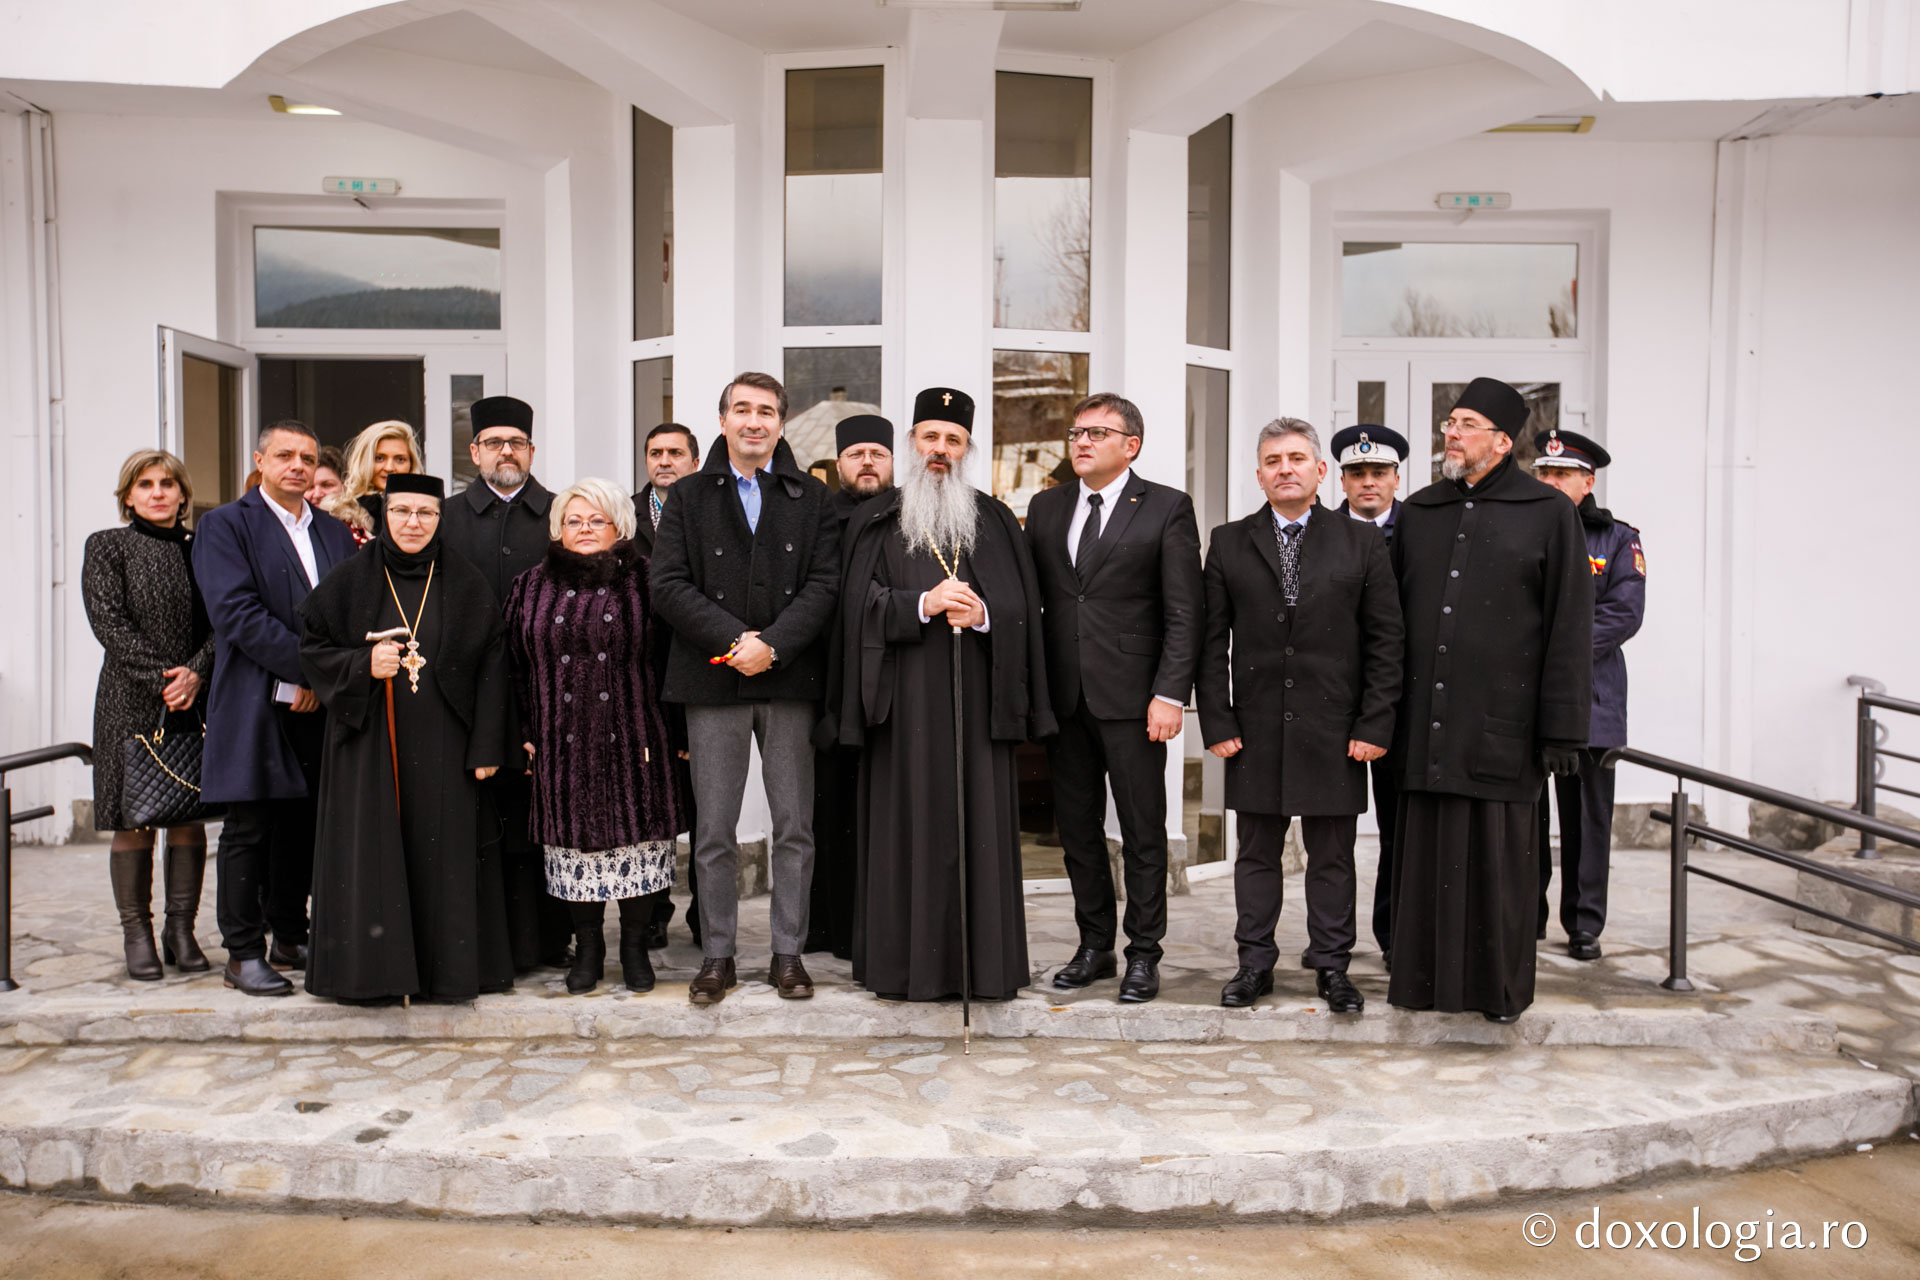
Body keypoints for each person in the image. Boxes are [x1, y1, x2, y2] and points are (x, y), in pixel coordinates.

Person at [825, 388, 1056, 1003]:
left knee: (977, 829)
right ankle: (904, 968)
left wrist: (984, 615)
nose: (940, 450)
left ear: (966, 449)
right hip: (902, 715)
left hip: (977, 711)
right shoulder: (879, 522)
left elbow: (1023, 611)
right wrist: (921, 604)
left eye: (952, 440)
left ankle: (984, 968)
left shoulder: (997, 519)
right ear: (913, 445)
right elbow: (855, 611)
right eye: (930, 437)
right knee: (906, 832)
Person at [1387, 378, 1593, 1024]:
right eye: (1449, 421)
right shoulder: (1419, 512)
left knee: (1499, 866)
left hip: (1505, 725)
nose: (1452, 432)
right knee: (1424, 859)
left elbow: (1569, 628)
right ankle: (1421, 985)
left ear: (1502, 442)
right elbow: (1389, 624)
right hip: (1428, 722)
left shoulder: (1549, 513)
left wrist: (1563, 731)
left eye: (1467, 423)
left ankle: (1496, 992)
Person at [649, 372, 841, 1006]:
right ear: (723, 420)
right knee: (715, 830)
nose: (754, 421)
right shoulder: (689, 496)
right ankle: (718, 956)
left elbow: (824, 585)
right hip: (712, 677)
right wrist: (739, 643)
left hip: (788, 680)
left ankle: (788, 954)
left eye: (766, 411)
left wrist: (774, 646)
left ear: (780, 422)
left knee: (793, 825)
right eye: (742, 410)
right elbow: (669, 585)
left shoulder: (811, 498)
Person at [1198, 420, 1403, 1013]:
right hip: (1254, 730)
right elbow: (1212, 643)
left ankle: (1334, 968)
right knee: (1256, 854)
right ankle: (1253, 965)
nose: (1284, 468)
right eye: (1272, 460)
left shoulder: (1361, 542)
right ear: (1258, 474)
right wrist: (1219, 721)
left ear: (1319, 472)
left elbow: (1387, 642)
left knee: (1333, 856)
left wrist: (1374, 724)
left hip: (1336, 731)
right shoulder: (1229, 542)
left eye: (1296, 458)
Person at [298, 473, 514, 1002]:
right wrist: (361, 664)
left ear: (440, 519)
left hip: (447, 742)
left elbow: (494, 665)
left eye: (426, 513)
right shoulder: (350, 580)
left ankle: (446, 975)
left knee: (443, 857)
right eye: (402, 512)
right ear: (384, 517)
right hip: (369, 746)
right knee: (374, 855)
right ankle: (373, 975)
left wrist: (488, 746)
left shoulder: (465, 582)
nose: (413, 523)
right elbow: (312, 649)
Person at [1024, 392, 1201, 1004]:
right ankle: (1094, 945)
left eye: (1097, 433)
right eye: (1076, 431)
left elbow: (1184, 612)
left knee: (1142, 833)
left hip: (1134, 701)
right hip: (1065, 699)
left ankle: (1143, 954)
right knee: (1076, 831)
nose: (1081, 441)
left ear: (1131, 445)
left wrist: (1170, 693)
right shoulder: (1045, 508)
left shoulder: (1167, 508)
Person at [194, 420, 358, 996]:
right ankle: (243, 952)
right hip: (256, 700)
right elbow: (236, 614)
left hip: (320, 705)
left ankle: (291, 932)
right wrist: (311, 669)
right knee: (250, 827)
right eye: (284, 455)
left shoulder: (335, 534)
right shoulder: (223, 526)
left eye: (307, 458)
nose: (297, 465)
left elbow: (346, 615)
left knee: (306, 824)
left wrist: (327, 677)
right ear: (260, 460)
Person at [507, 479, 685, 994]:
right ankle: (587, 948)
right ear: (559, 529)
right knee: (573, 849)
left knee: (636, 840)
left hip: (636, 736)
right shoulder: (530, 586)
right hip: (558, 740)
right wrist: (520, 729)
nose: (585, 530)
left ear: (620, 527)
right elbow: (513, 667)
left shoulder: (651, 582)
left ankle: (634, 948)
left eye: (596, 521)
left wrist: (678, 731)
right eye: (574, 521)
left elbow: (676, 660)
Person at [437, 394, 574, 974]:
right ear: (474, 451)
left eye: (516, 442)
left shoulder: (560, 513)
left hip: (544, 693)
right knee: (473, 820)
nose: (506, 451)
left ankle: (544, 942)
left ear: (532, 450)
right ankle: (479, 942)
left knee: (539, 821)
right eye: (494, 442)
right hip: (461, 695)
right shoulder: (443, 516)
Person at [82, 449, 218, 980]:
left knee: (187, 814)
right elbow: (108, 624)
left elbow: (223, 618)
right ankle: (137, 932)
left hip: (196, 695)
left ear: (183, 494)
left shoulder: (204, 547)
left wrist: (197, 673)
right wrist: (168, 678)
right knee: (134, 817)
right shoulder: (108, 546)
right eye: (146, 484)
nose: (158, 493)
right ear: (129, 496)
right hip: (130, 697)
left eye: (168, 484)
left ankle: (180, 930)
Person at [1532, 428, 1645, 962]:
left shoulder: (1617, 539)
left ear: (1587, 481)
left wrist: (1558, 649)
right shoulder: (1520, 528)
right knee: (1523, 816)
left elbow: (1623, 614)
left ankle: (1583, 923)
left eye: (1562, 474)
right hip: (1523, 699)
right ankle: (1525, 914)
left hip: (1592, 699)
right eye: (1545, 473)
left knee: (1586, 817)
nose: (1551, 482)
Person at [806, 413, 897, 960]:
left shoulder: (906, 516)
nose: (867, 462)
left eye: (877, 454)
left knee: (880, 808)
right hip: (824, 684)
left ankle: (875, 924)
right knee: (827, 807)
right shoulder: (818, 519)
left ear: (891, 462)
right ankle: (828, 927)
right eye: (857, 453)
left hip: (887, 683)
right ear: (838, 463)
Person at [1329, 423, 1410, 967]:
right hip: (1332, 705)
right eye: (1357, 473)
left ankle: (1395, 935)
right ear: (1341, 478)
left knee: (1400, 827)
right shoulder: (1319, 529)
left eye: (1378, 472)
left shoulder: (1420, 531)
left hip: (1399, 702)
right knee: (1333, 836)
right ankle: (1332, 944)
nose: (1368, 483)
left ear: (1396, 477)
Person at [634, 421, 704, 951]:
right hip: (641, 673)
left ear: (694, 461)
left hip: (702, 666)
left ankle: (707, 909)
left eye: (675, 453)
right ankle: (653, 910)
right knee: (651, 797)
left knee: (706, 800)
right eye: (655, 453)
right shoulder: (624, 515)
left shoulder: (711, 511)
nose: (664, 461)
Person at [329, 419, 422, 546]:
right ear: (363, 461)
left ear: (411, 465)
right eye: (379, 458)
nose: (389, 467)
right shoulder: (339, 517)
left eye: (400, 459)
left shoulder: (426, 517)